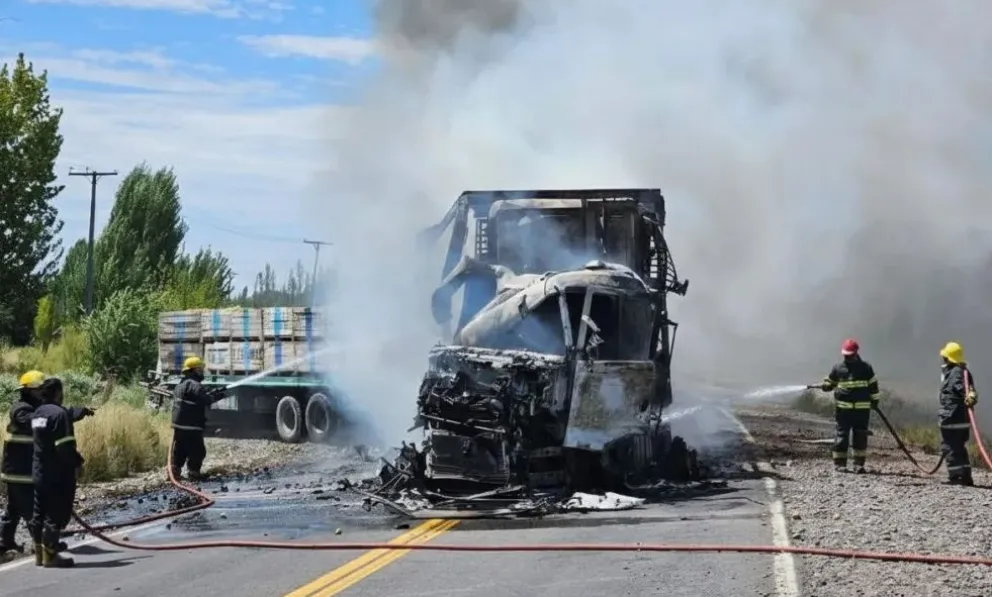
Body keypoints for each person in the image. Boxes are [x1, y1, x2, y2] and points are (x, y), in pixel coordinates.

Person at [32, 377, 92, 568]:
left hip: (39, 471)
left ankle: (40, 556)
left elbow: (58, 420)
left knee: (40, 512)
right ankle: (51, 556)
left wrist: (80, 411)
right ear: (58, 392)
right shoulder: (60, 414)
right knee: (56, 514)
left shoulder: (38, 413)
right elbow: (64, 446)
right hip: (57, 473)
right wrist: (78, 463)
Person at [1, 371, 45, 563]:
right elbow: (32, 422)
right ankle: (42, 546)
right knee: (30, 509)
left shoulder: (36, 408)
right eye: (40, 389)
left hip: (22, 470)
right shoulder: (21, 409)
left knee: (14, 509)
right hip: (19, 472)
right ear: (29, 390)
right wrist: (53, 417)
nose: (43, 392)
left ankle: (5, 542)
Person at [820, 338, 880, 473]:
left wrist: (875, 401)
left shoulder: (866, 368)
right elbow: (830, 382)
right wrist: (826, 385)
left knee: (860, 437)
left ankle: (859, 465)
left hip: (861, 411)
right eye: (845, 356)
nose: (847, 358)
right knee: (842, 436)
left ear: (856, 353)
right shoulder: (838, 368)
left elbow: (873, 386)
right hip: (843, 411)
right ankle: (840, 464)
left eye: (850, 355)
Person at [170, 356, 226, 481]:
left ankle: (174, 472)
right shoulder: (195, 385)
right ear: (194, 370)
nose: (202, 372)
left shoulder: (180, 385)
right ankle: (194, 474)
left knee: (180, 450)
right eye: (200, 370)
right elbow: (205, 400)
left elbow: (194, 398)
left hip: (178, 426)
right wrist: (217, 396)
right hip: (192, 425)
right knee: (198, 451)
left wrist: (209, 393)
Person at [937, 341, 977, 487]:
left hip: (952, 417)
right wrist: (971, 396)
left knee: (950, 447)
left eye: (945, 357)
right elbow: (969, 391)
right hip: (961, 418)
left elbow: (963, 390)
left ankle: (957, 476)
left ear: (949, 358)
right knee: (959, 447)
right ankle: (965, 476)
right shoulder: (962, 371)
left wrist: (970, 396)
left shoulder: (955, 372)